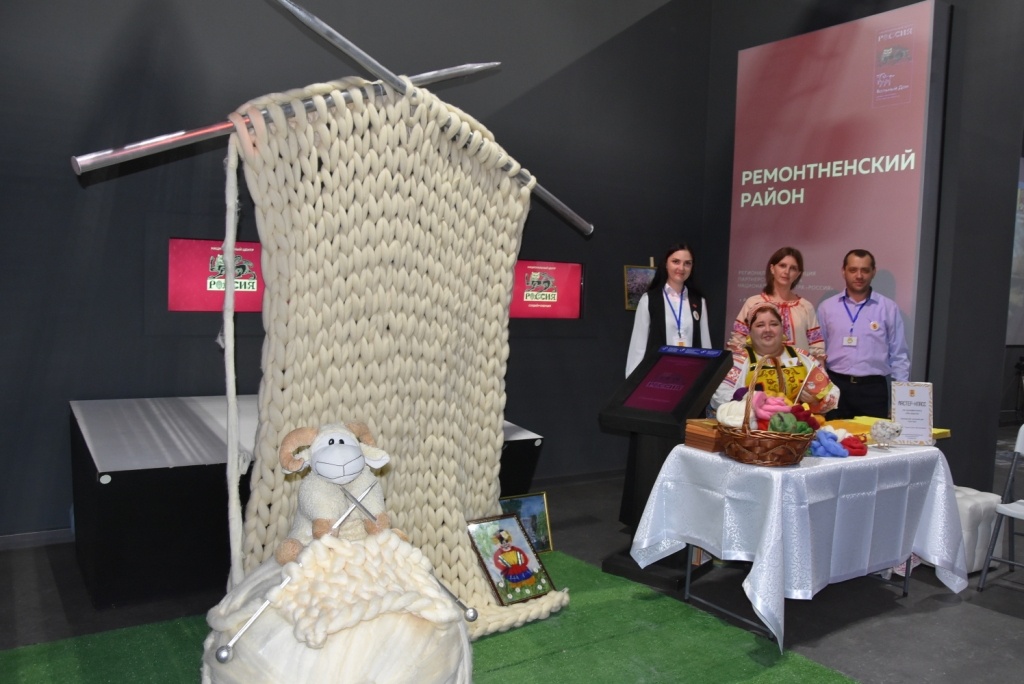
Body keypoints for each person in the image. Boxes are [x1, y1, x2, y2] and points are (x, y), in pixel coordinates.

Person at [816, 249, 910, 419]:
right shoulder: (826, 308)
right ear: (843, 271)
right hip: (835, 387)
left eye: (865, 270)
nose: (859, 276)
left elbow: (899, 356)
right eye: (853, 270)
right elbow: (818, 352)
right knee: (832, 435)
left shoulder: (888, 308)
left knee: (873, 436)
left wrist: (901, 400)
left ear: (873, 272)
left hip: (873, 390)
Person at [712, 302, 839, 414]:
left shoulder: (802, 357)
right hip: (753, 429)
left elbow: (831, 391)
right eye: (760, 325)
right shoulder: (738, 361)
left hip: (795, 429)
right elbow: (719, 398)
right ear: (750, 332)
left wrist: (815, 400)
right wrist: (757, 406)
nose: (768, 329)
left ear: (782, 329)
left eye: (774, 324)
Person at [625, 242, 712, 377]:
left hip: (689, 376)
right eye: (676, 262)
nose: (681, 268)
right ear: (666, 264)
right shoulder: (649, 300)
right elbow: (638, 347)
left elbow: (705, 345)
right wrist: (632, 381)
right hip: (658, 376)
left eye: (687, 263)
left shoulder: (699, 301)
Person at [727, 246, 825, 360]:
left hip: (799, 368)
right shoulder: (753, 303)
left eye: (793, 268)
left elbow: (816, 348)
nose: (786, 272)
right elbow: (738, 343)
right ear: (772, 268)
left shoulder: (805, 307)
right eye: (782, 266)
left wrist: (818, 370)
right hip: (761, 368)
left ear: (798, 274)